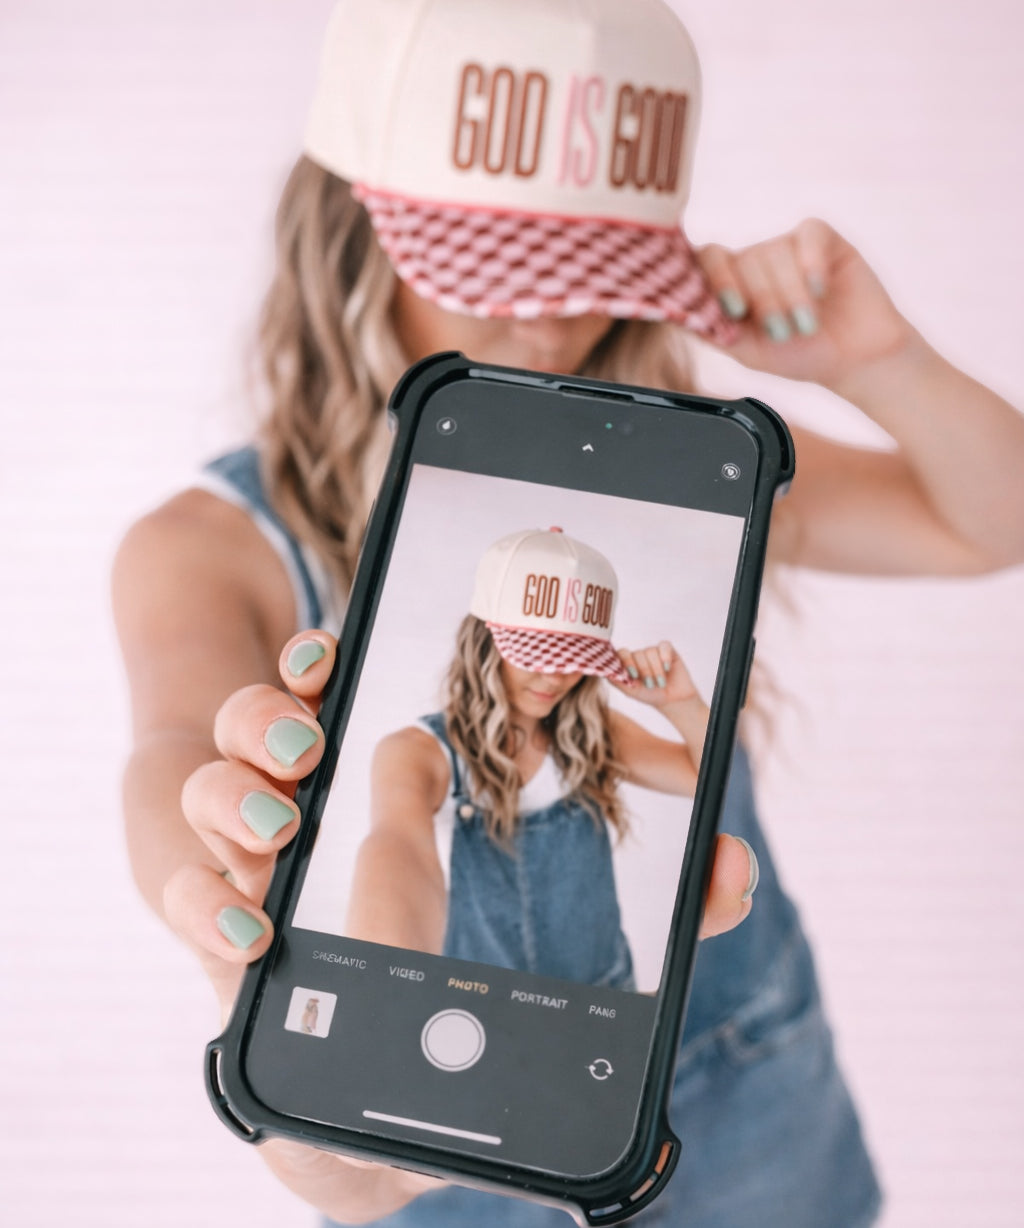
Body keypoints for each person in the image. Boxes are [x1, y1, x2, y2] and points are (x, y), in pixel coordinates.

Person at [110, 0, 1024, 1224]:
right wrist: (220, 880)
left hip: (748, 1105)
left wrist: (877, 362)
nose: (546, 319)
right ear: (348, 233)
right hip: (436, 1128)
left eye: (594, 271)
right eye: (496, 269)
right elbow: (193, 758)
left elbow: (990, 521)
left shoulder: (700, 481)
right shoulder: (211, 546)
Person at [345, 526, 710, 987]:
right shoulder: (417, 753)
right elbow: (396, 849)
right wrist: (374, 983)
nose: (555, 678)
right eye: (537, 653)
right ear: (484, 640)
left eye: (574, 657)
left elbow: (706, 780)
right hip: (478, 1002)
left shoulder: (595, 733)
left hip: (603, 995)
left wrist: (681, 705)